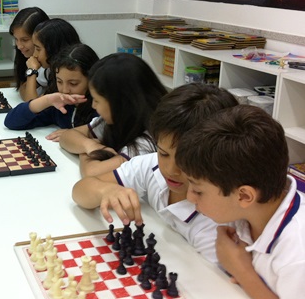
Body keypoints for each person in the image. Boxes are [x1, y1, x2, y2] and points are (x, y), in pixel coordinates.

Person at [72, 83, 238, 263]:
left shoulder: (218, 220)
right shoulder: (150, 165)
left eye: (187, 161)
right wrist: (105, 191)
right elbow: (80, 191)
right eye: (164, 153)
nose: (171, 170)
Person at [175, 105, 305, 299]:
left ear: (244, 196)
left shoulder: (297, 254)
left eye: (198, 191)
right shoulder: (249, 209)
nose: (190, 197)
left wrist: (243, 272)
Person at [59, 53, 167, 176]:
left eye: (97, 100)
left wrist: (87, 151)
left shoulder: (147, 142)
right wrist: (90, 145)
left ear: (120, 103)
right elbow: (66, 137)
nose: (93, 106)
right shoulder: (115, 120)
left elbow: (91, 172)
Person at [4, 44, 99, 141]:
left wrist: (74, 134)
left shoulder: (101, 107)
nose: (65, 90)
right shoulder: (59, 103)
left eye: (73, 83)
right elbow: (11, 122)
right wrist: (46, 100)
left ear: (91, 80)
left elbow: (105, 136)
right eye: (59, 81)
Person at [9, 7, 50, 101]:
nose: (19, 46)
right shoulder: (32, 59)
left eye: (25, 40)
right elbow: (23, 88)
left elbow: (31, 103)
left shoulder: (51, 65)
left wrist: (31, 71)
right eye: (16, 39)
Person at [31, 18, 81, 94]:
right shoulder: (49, 70)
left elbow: (32, 103)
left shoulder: (72, 71)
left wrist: (31, 72)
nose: (34, 55)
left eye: (38, 49)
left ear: (53, 49)